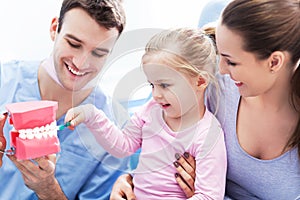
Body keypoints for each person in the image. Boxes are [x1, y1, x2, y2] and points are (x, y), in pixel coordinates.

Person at [112, 0, 300, 199]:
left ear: (274, 62)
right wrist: (130, 180)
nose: (221, 70)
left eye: (232, 62)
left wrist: (205, 193)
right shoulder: (211, 82)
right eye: (222, 57)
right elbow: (152, 132)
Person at [65, 28, 227, 199]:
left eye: (164, 85)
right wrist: (91, 115)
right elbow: (123, 146)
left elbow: (209, 196)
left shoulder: (208, 135)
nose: (156, 94)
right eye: (152, 85)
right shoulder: (152, 110)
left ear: (200, 81)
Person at [0, 0, 131, 199]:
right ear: (55, 29)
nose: (81, 63)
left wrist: (48, 190)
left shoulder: (117, 131)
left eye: (99, 53)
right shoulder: (4, 80)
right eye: (74, 44)